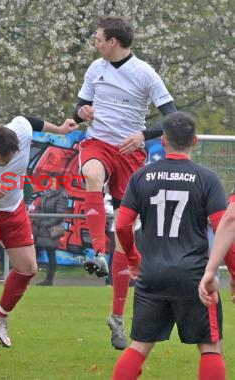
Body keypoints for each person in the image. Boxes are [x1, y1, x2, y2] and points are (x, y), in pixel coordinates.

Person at [74, 16, 177, 350]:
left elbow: (172, 116)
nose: (96, 43)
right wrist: (83, 112)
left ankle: (116, 316)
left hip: (130, 154)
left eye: (99, 38)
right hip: (99, 144)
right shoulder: (95, 69)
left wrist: (142, 134)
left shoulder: (145, 73)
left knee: (125, 232)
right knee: (91, 175)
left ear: (114, 41)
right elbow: (78, 108)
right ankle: (96, 251)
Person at [112, 112, 231, 380]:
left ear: (163, 140)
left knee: (139, 346)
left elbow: (122, 225)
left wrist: (132, 258)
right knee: (210, 347)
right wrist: (233, 275)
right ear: (196, 141)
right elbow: (223, 228)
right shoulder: (207, 178)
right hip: (194, 277)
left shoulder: (141, 176)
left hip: (151, 274)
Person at [0, 115, 78, 362]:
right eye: (0, 159)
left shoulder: (21, 131)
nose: (5, 163)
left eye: (9, 159)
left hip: (13, 207)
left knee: (28, 269)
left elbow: (33, 122)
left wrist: (61, 129)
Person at [31, 178, 68, 286]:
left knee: (50, 253)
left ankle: (49, 280)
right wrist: (37, 220)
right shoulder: (46, 194)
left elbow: (59, 215)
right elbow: (40, 209)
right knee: (33, 254)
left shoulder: (62, 196)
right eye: (48, 182)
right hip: (40, 229)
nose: (50, 184)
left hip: (51, 230)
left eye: (53, 182)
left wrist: (45, 224)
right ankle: (25, 277)